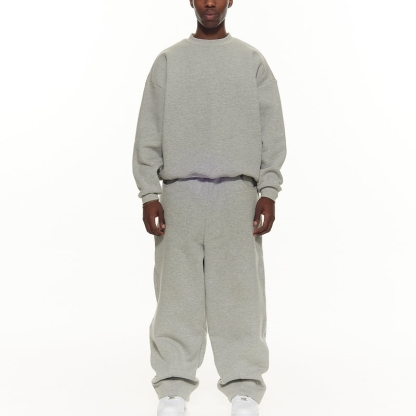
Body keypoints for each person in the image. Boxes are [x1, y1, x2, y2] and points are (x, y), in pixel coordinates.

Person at [132, 1, 287, 415]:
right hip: (179, 194)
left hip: (237, 195)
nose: (210, 2)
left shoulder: (251, 61)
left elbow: (272, 130)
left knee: (240, 296)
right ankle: (172, 389)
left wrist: (268, 189)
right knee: (176, 297)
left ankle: (244, 390)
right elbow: (148, 129)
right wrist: (149, 194)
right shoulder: (169, 62)